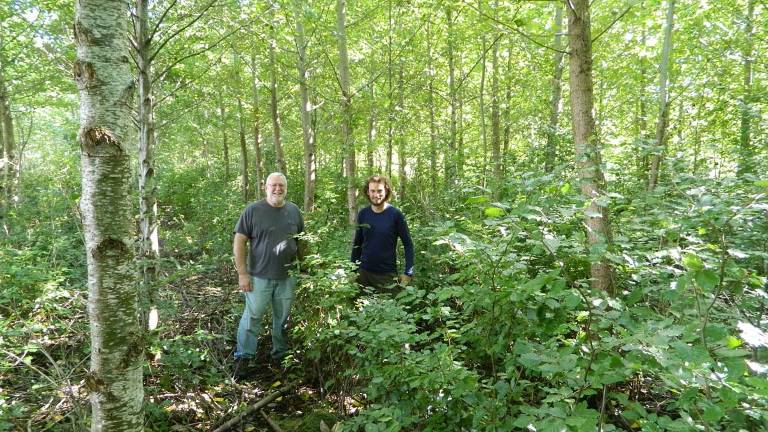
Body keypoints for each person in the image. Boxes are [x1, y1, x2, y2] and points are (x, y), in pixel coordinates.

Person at [232, 172, 304, 379]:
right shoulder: (253, 211)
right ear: (265, 187)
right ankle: (244, 357)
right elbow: (239, 241)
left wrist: (306, 267)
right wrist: (242, 273)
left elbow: (301, 241)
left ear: (286, 188)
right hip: (258, 277)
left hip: (287, 277)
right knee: (252, 317)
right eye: (274, 185)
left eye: (281, 185)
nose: (277, 189)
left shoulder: (294, 211)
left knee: (283, 319)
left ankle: (281, 356)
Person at [351, 174, 414, 292]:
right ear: (368, 192)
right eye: (372, 191)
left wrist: (408, 273)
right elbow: (357, 244)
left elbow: (408, 244)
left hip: (387, 276)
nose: (376, 195)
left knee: (391, 309)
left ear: (386, 191)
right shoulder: (363, 214)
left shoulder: (395, 215)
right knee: (359, 309)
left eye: (379, 191)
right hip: (363, 275)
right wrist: (352, 271)